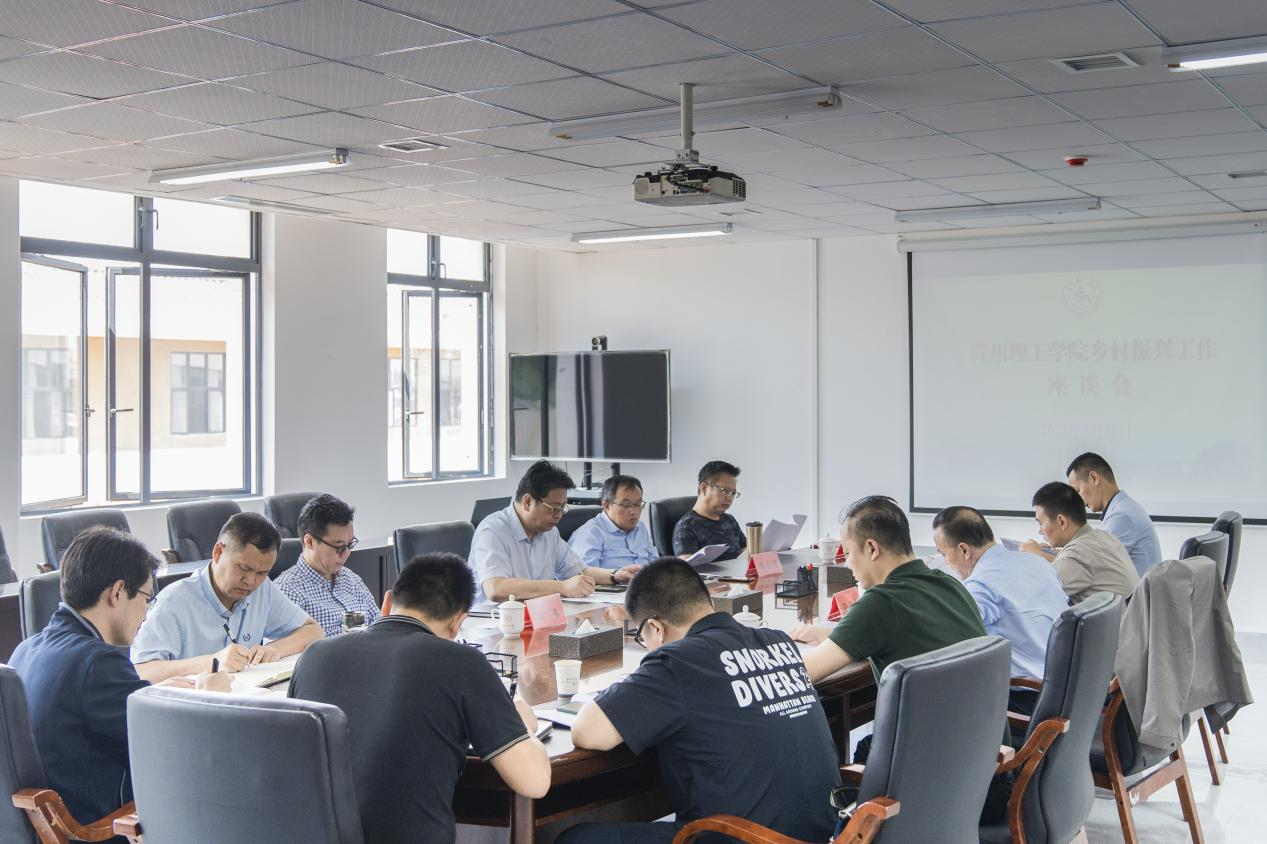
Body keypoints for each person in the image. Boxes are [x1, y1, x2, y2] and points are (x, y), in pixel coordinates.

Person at [560, 558, 840, 843]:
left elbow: (588, 732)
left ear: (656, 628)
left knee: (577, 838)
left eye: (643, 638)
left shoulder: (676, 661)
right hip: (829, 834)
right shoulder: (778, 642)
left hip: (743, 837)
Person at [289, 552, 550, 843]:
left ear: (387, 602)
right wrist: (523, 726)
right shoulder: (462, 662)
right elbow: (534, 782)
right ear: (458, 622)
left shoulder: (313, 656)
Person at [791, 496, 1010, 821]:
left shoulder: (880, 603)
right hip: (989, 777)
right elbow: (911, 628)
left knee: (841, 766)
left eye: (848, 553)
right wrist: (834, 634)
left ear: (872, 548)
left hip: (933, 796)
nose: (848, 565)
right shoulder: (951, 585)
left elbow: (800, 676)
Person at [9, 528, 197, 827]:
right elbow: (172, 742)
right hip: (101, 827)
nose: (146, 613)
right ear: (118, 592)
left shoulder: (26, 649)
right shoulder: (98, 662)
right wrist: (202, 696)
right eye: (147, 598)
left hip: (45, 827)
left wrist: (152, 694)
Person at [131, 511, 322, 682]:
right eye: (244, 568)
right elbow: (141, 672)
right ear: (218, 552)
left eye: (262, 573)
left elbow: (313, 631)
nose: (251, 581)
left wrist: (275, 649)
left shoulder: (263, 590)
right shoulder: (174, 601)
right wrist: (211, 662)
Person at [932, 506, 1069, 715]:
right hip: (1064, 688)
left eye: (943, 554)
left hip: (1028, 700)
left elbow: (950, 637)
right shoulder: (1038, 563)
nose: (946, 562)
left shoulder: (981, 585)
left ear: (964, 550)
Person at [471, 460, 640, 602]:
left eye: (562, 508)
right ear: (528, 502)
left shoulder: (549, 532)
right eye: (554, 508)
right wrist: (561, 587)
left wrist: (615, 575)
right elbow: (496, 588)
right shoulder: (493, 531)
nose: (559, 515)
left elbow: (580, 572)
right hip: (489, 622)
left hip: (536, 617)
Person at [274, 494, 380, 637]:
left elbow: (378, 625)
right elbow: (280, 649)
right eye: (339, 547)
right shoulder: (287, 592)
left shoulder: (351, 579)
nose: (347, 553)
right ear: (310, 542)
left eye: (350, 545)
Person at [1026, 482, 1139, 603]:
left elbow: (1033, 590)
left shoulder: (1078, 554)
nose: (1040, 531)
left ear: (1061, 522)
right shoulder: (1103, 537)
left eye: (1041, 523)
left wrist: (1034, 556)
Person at [1066, 452, 1163, 578]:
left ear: (1094, 478)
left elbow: (1089, 565)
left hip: (1137, 591)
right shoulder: (1124, 508)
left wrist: (1048, 557)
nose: (1078, 500)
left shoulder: (1122, 517)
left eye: (1078, 491)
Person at [568, 474, 658, 570]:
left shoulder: (641, 528)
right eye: (626, 505)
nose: (633, 511)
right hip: (612, 580)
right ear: (606, 506)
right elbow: (584, 574)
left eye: (637, 504)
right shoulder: (591, 533)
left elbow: (656, 564)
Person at [671, 460, 747, 559]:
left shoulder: (730, 520)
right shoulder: (686, 526)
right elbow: (686, 566)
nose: (730, 498)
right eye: (725, 491)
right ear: (704, 488)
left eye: (733, 493)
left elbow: (744, 549)